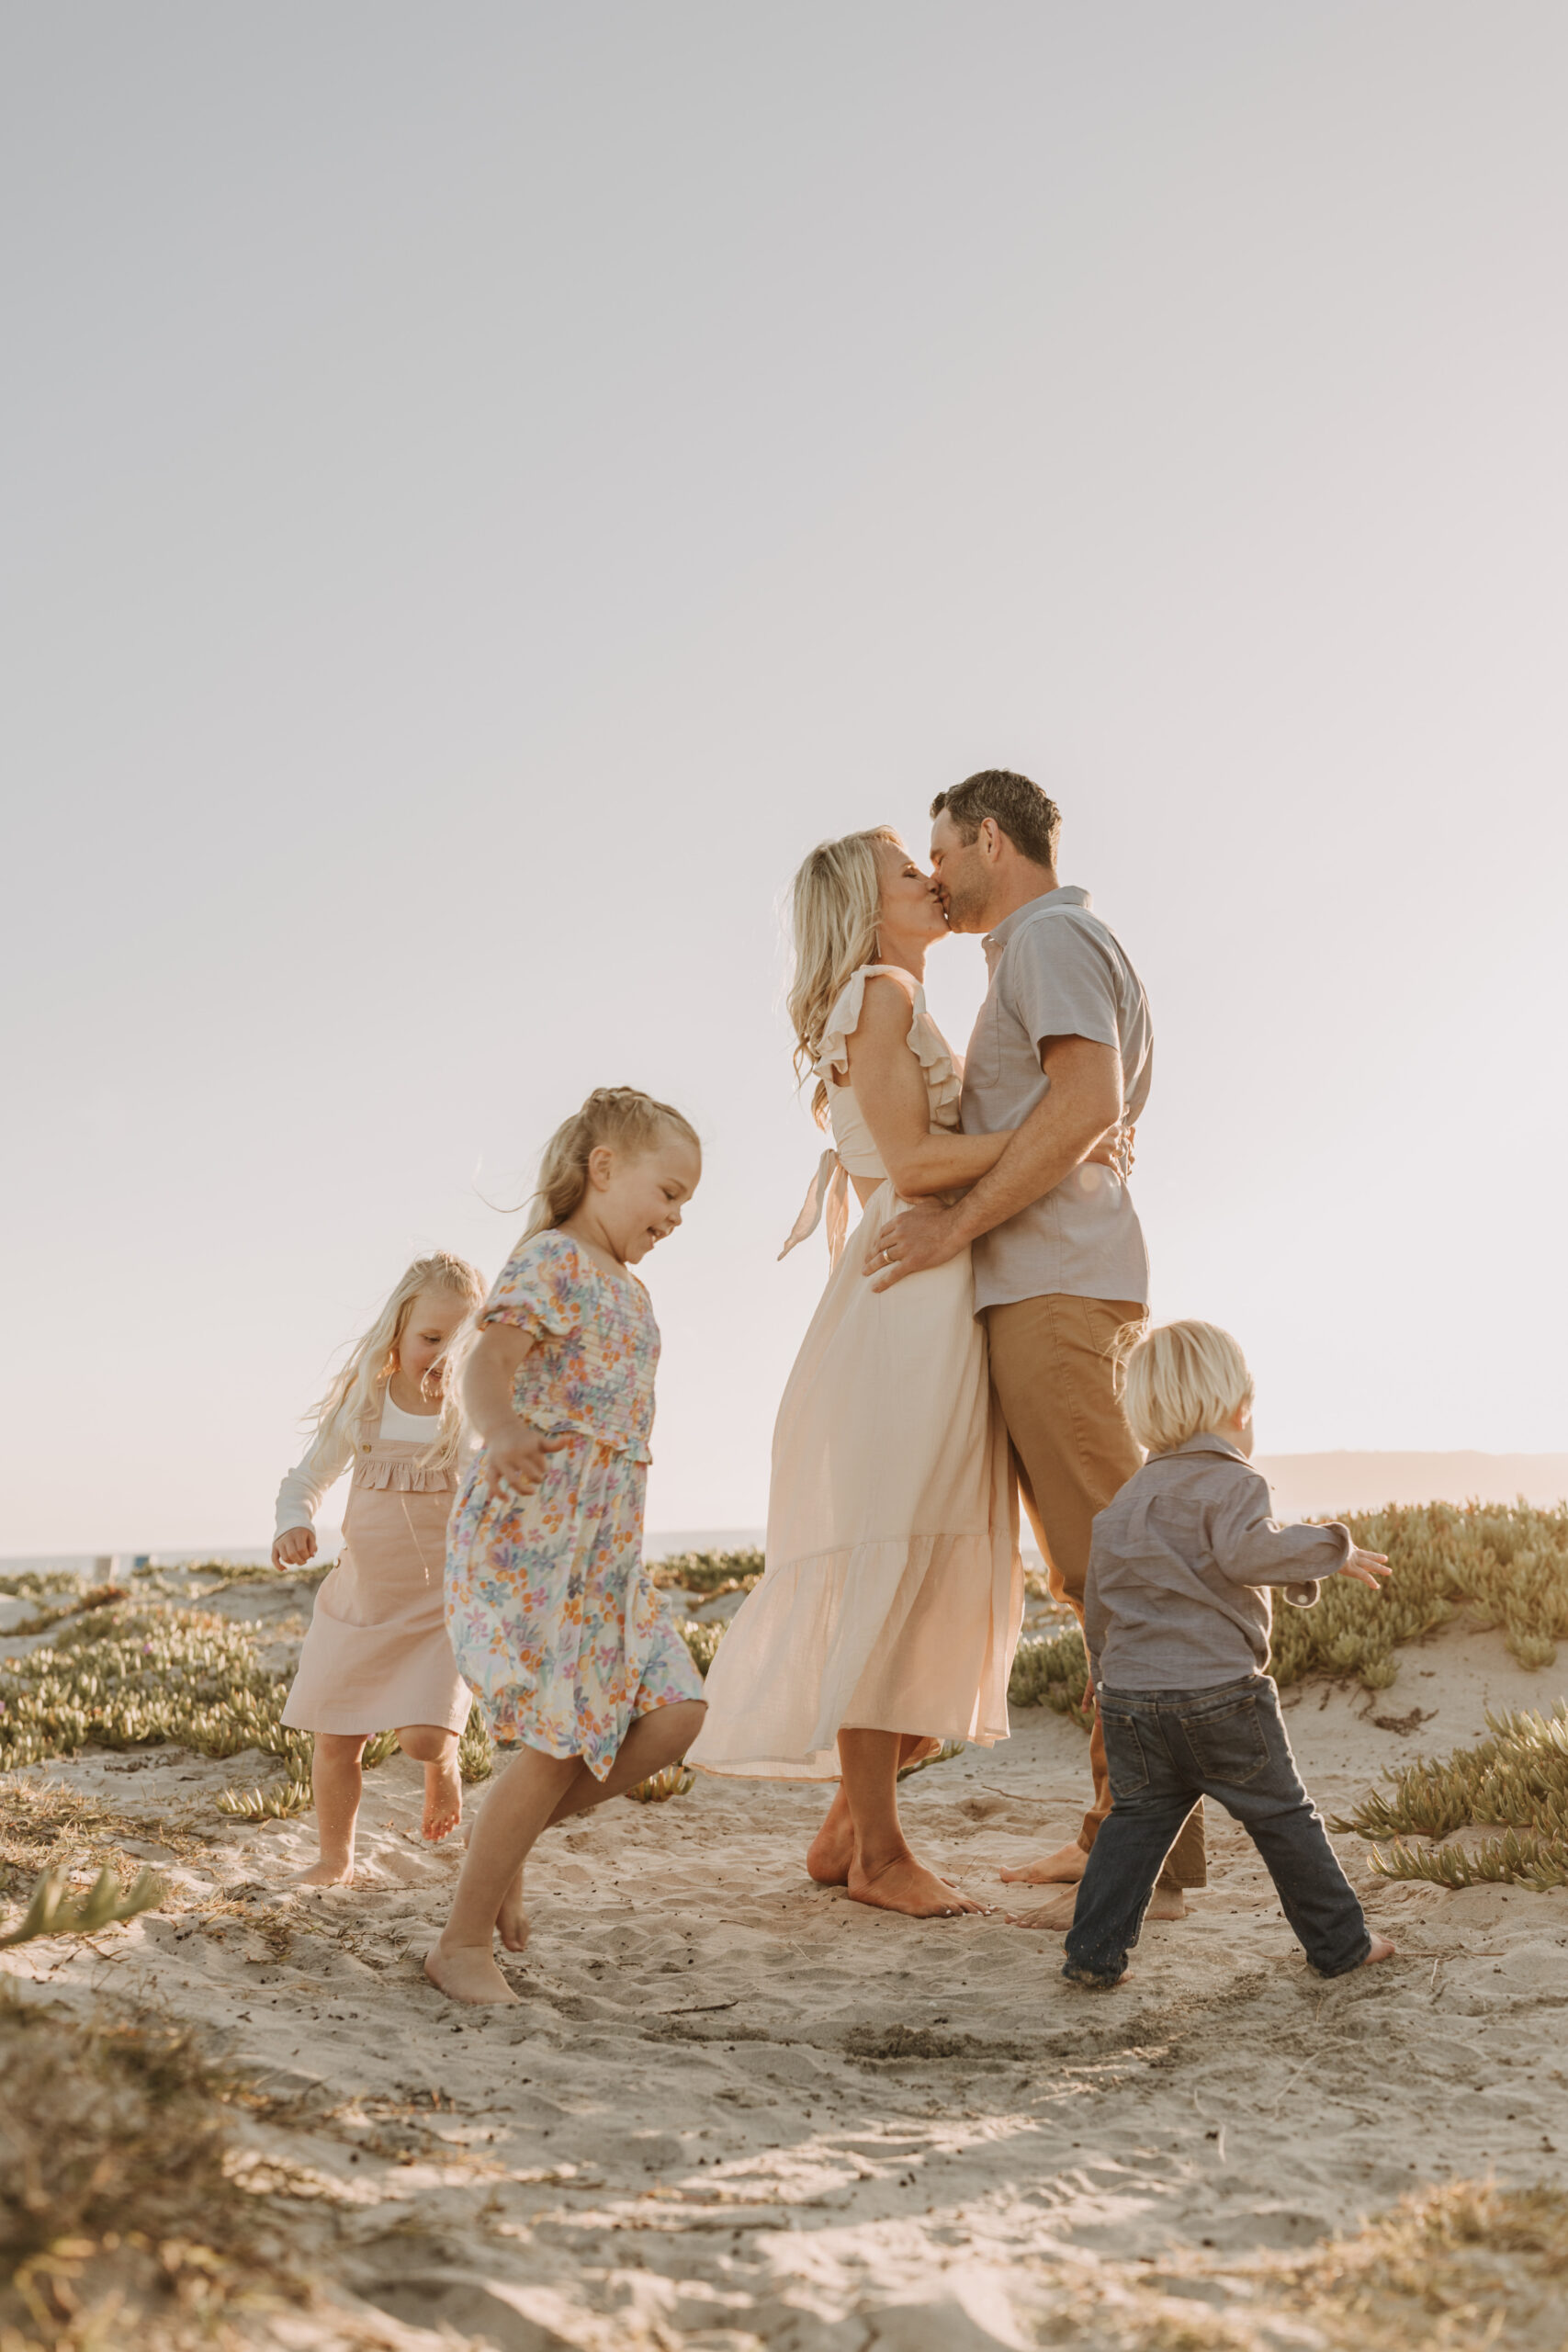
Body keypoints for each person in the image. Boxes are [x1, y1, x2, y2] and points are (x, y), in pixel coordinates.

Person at [868, 768, 1202, 1926]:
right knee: (1092, 1561)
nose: (937, 875)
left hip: (1058, 1283)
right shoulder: (1044, 949)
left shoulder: (1049, 941)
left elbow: (1086, 1100)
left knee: (1112, 1561)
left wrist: (955, 1221)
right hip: (1054, 1280)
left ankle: (1143, 1844)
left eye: (942, 851)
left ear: (990, 840)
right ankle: (1130, 1831)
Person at [687, 829, 1024, 1919]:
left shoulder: (891, 995)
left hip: (926, 1293)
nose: (929, 878)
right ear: (864, 906)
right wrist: (1053, 1136)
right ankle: (879, 1851)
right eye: (903, 871)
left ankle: (847, 1830)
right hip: (907, 1303)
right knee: (902, 1553)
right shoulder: (880, 992)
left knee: (927, 1563)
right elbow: (915, 1163)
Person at [426, 1087, 708, 2006]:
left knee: (676, 1712)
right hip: (534, 1539)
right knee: (555, 1737)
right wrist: (500, 1428)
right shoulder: (554, 1261)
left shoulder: (634, 1291)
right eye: (667, 1192)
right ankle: (461, 1943)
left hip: (606, 1559)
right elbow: (488, 1360)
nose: (675, 1216)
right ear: (604, 1168)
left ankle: (507, 1840)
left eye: (686, 1204)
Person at [1060, 1319, 1397, 1986]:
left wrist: (1100, 1674)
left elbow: (1101, 1603)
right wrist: (1334, 1548)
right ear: (1237, 1407)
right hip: (1219, 1698)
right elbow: (1249, 1551)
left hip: (1132, 1703)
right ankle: (1340, 1946)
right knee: (1282, 1819)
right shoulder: (1234, 1483)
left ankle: (1092, 1956)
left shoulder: (1121, 1505)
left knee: (1133, 1826)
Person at [273, 1251, 485, 1883]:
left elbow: (494, 1500)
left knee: (423, 1739)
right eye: (430, 1339)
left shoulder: (468, 1417)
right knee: (335, 1740)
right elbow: (306, 1478)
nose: (444, 1356)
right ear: (397, 1329)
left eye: (461, 1342)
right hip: (361, 1601)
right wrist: (294, 1521)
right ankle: (333, 1857)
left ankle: (441, 1769)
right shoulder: (365, 1405)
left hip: (439, 1608)